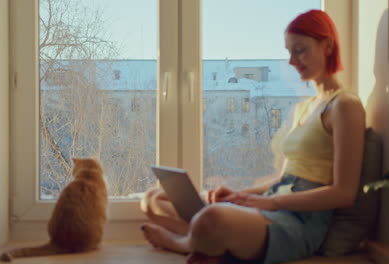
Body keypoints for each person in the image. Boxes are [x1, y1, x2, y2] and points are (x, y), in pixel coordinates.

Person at [140, 9, 366, 264]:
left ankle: (181, 243)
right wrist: (241, 194)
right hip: (273, 203)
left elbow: (344, 193)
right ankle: (210, 243)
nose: (292, 61)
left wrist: (272, 203)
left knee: (213, 218)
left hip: (300, 220)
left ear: (327, 46)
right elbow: (283, 178)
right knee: (153, 199)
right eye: (289, 52)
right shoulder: (305, 106)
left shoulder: (345, 105)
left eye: (300, 50)